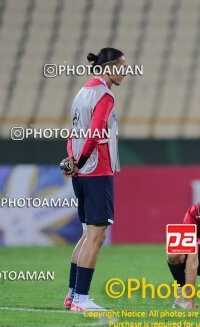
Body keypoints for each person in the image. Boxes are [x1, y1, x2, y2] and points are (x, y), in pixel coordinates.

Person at [60, 47, 125, 312]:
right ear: (108, 67)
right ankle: (81, 300)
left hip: (82, 171)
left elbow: (73, 132)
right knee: (97, 236)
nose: (124, 72)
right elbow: (96, 133)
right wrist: (83, 161)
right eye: (121, 66)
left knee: (88, 234)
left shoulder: (82, 92)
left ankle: (72, 295)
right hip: (97, 170)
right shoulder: (104, 95)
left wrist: (72, 162)